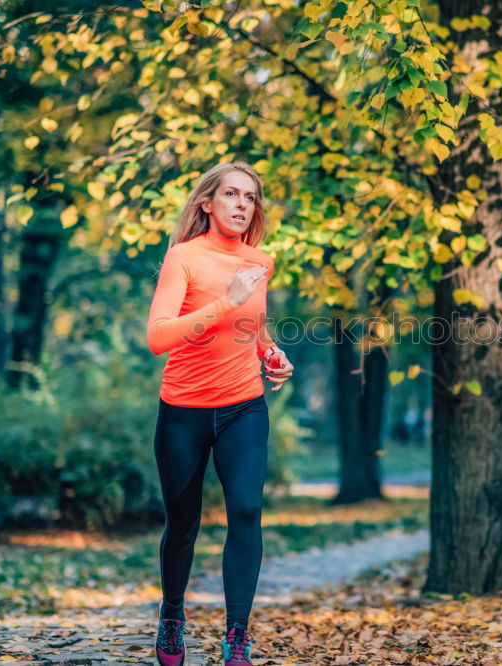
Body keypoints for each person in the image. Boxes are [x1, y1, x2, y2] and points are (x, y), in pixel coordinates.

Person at [146, 162, 294, 666]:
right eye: (230, 194)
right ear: (207, 203)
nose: (240, 204)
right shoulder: (182, 259)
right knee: (183, 524)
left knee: (248, 512)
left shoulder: (260, 261)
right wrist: (223, 302)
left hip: (243, 408)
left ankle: (236, 635)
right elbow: (158, 338)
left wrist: (270, 352)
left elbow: (250, 329)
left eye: (249, 197)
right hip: (183, 411)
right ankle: (172, 617)